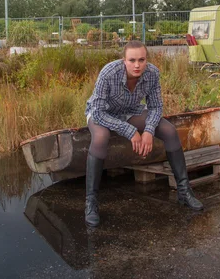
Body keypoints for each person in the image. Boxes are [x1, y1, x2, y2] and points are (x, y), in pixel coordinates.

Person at [84, 40, 203, 227]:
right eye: (132, 60)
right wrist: (130, 131)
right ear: (124, 60)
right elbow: (98, 112)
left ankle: (184, 191)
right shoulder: (109, 72)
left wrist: (148, 131)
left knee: (169, 130)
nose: (137, 65)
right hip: (103, 113)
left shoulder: (153, 73)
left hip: (131, 111)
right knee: (100, 137)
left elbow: (155, 107)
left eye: (141, 59)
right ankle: (91, 202)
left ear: (146, 59)